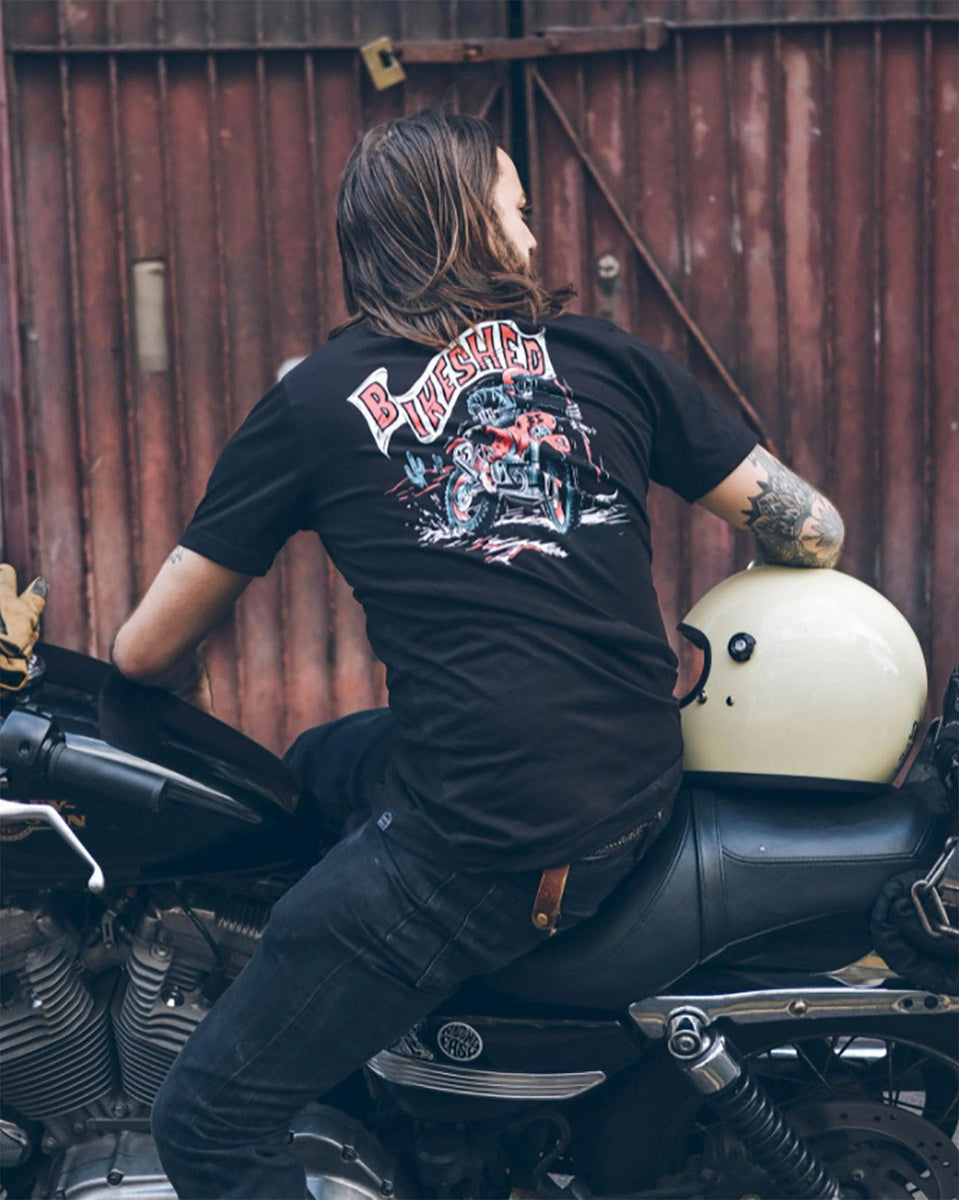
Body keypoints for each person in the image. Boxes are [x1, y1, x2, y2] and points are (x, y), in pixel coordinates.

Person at [111, 109, 844, 1199]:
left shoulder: (314, 400)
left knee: (207, 1122)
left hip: (495, 845)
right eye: (517, 210)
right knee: (310, 766)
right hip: (629, 779)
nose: (535, 238)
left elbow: (141, 651)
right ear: (462, 225)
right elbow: (814, 530)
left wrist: (177, 676)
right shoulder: (606, 358)